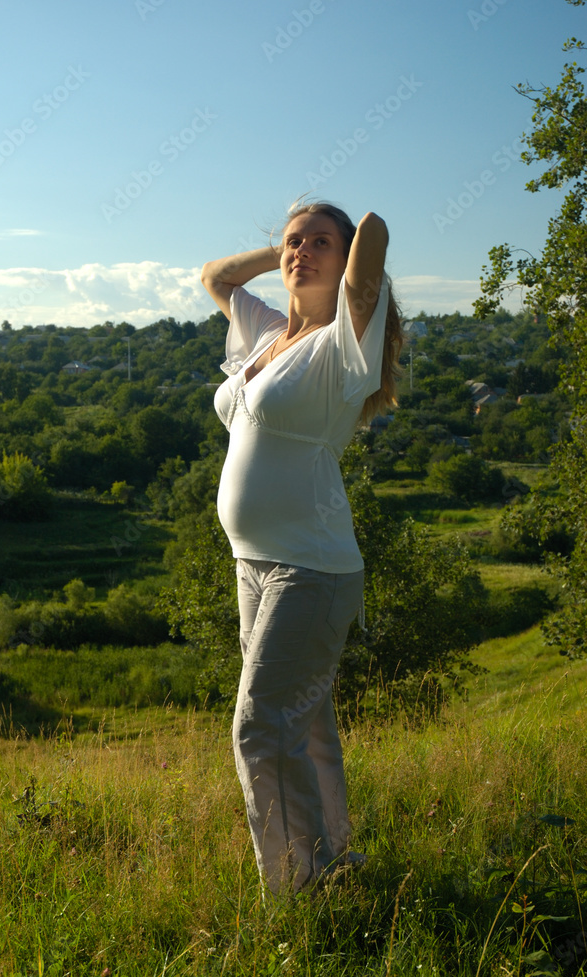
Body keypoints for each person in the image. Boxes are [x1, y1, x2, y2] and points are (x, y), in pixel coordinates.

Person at [201, 200, 403, 895]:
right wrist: (282, 249)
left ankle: (297, 890)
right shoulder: (265, 336)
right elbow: (216, 278)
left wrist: (346, 240)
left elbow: (371, 242)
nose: (301, 251)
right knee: (304, 725)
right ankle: (334, 862)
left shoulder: (345, 341)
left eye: (320, 243)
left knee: (260, 729)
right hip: (253, 564)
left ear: (344, 264)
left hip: (311, 566)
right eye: (294, 242)